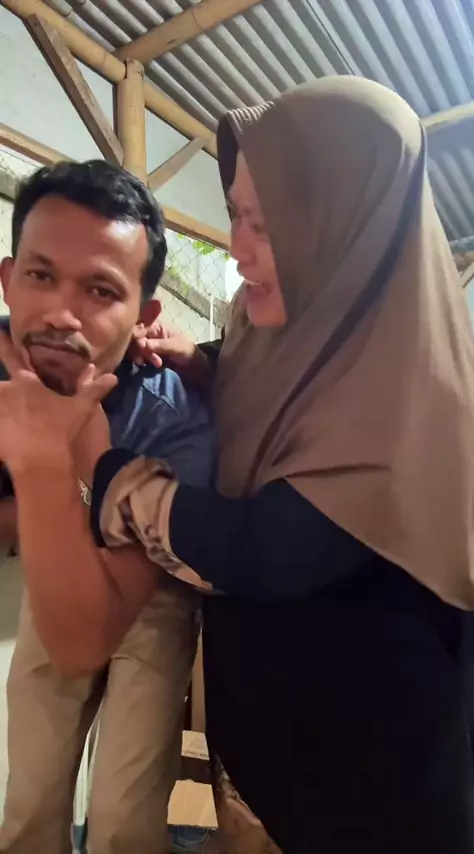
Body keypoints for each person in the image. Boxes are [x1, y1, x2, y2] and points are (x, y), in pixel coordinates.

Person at [0, 77, 474, 854]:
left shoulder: (412, 396)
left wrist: (96, 462)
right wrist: (203, 361)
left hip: (363, 768)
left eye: (268, 223)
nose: (238, 247)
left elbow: (262, 549)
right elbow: (260, 381)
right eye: (236, 215)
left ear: (345, 226)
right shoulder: (280, 335)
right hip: (261, 739)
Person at [0, 160, 215, 854]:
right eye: (41, 276)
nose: (61, 314)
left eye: (99, 290)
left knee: (126, 808)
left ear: (145, 317)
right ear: (8, 280)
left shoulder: (174, 419)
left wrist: (49, 474)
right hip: (55, 575)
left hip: (153, 591)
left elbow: (135, 577)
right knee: (31, 795)